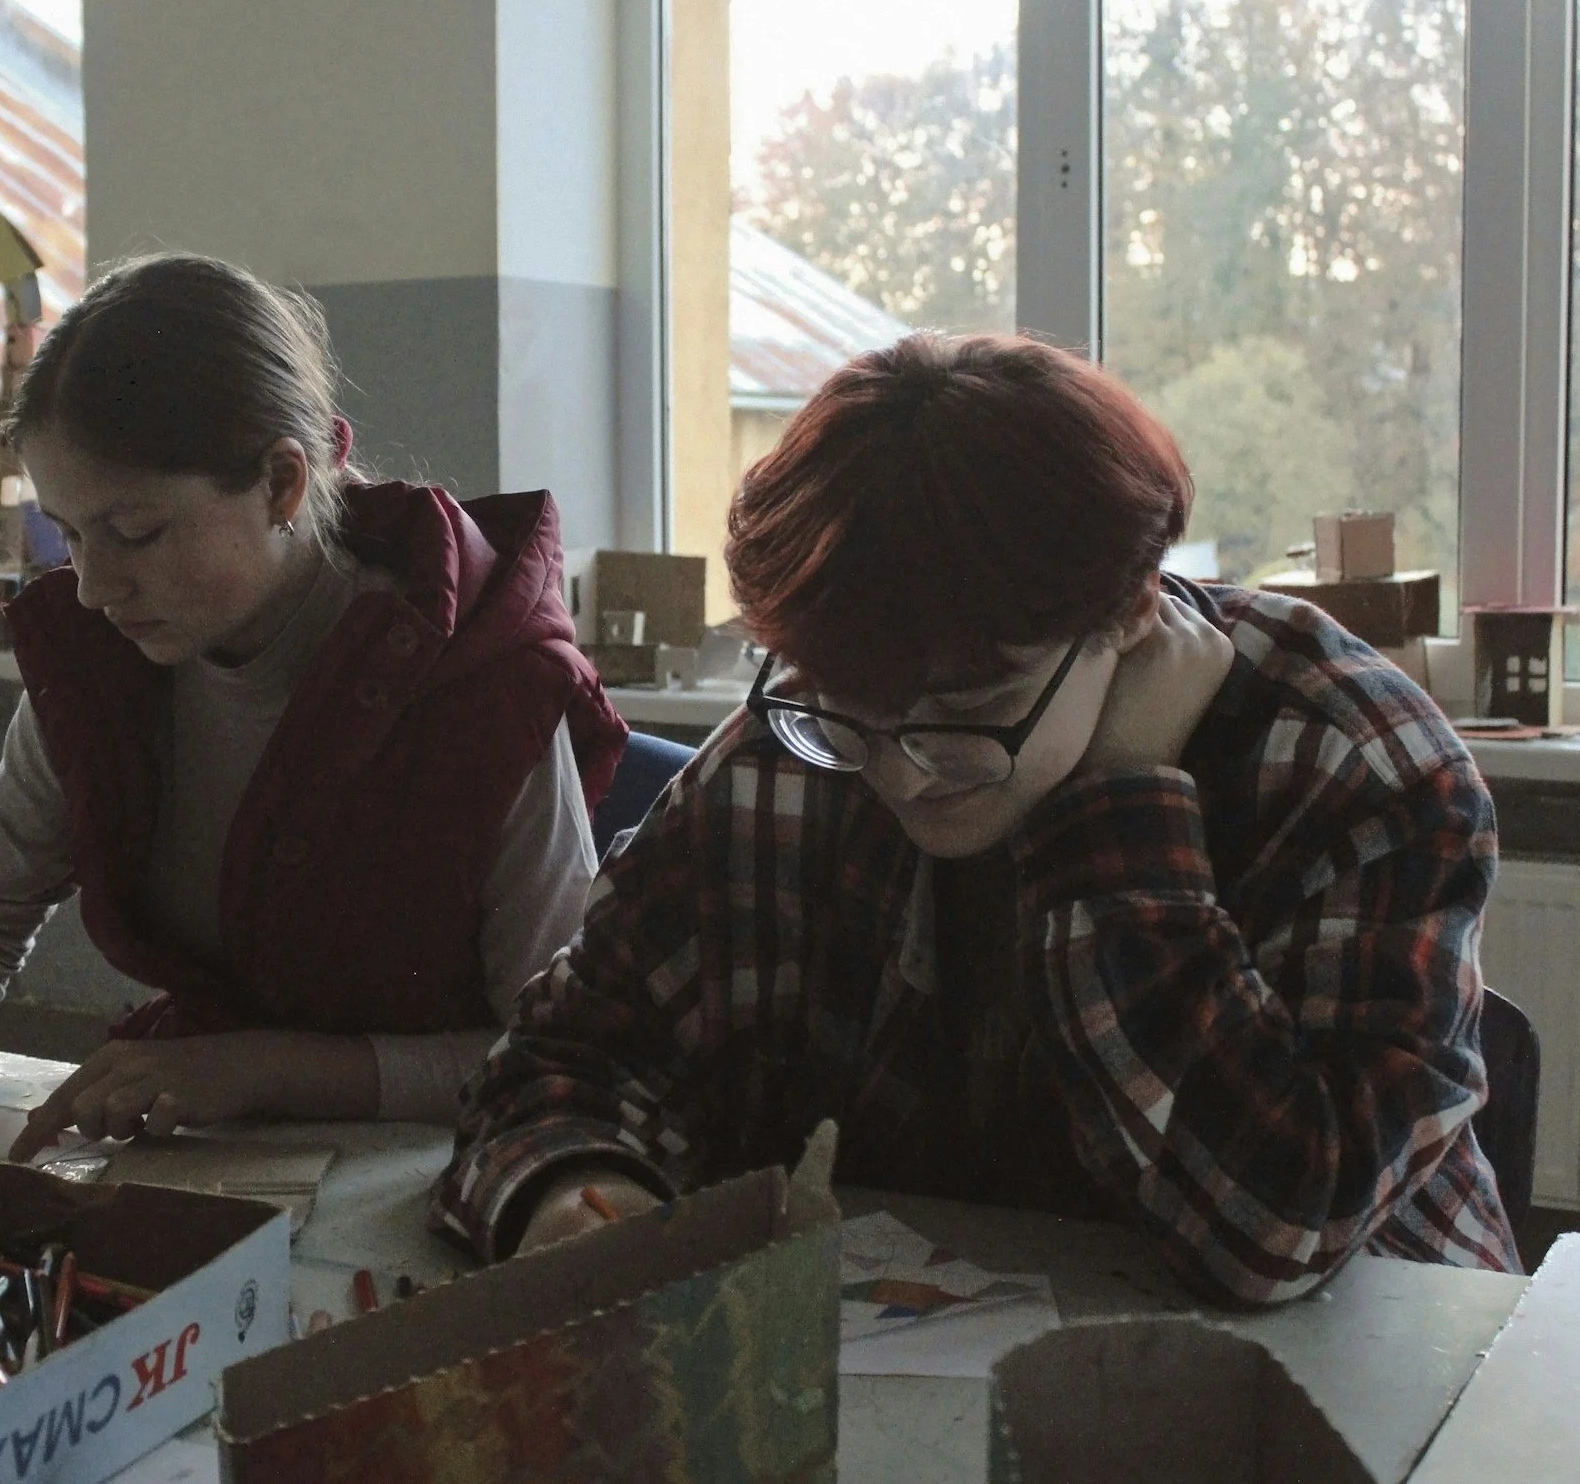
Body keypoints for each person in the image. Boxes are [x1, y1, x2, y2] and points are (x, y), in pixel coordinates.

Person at [433, 332, 1518, 1307]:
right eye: (853, 710)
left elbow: (1279, 1229)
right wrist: (578, 1197)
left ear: (1131, 612)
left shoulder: (1350, 760)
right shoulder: (806, 733)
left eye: (969, 713)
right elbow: (559, 1061)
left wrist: (1121, 814)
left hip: (1368, 1385)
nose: (901, 772)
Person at [0, 253, 626, 1175]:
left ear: (284, 484)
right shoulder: (102, 666)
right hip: (207, 1161)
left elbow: (552, 1054)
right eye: (68, 534)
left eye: (135, 533)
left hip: (443, 1178)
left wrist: (268, 1069)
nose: (90, 588)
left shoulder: (489, 686)